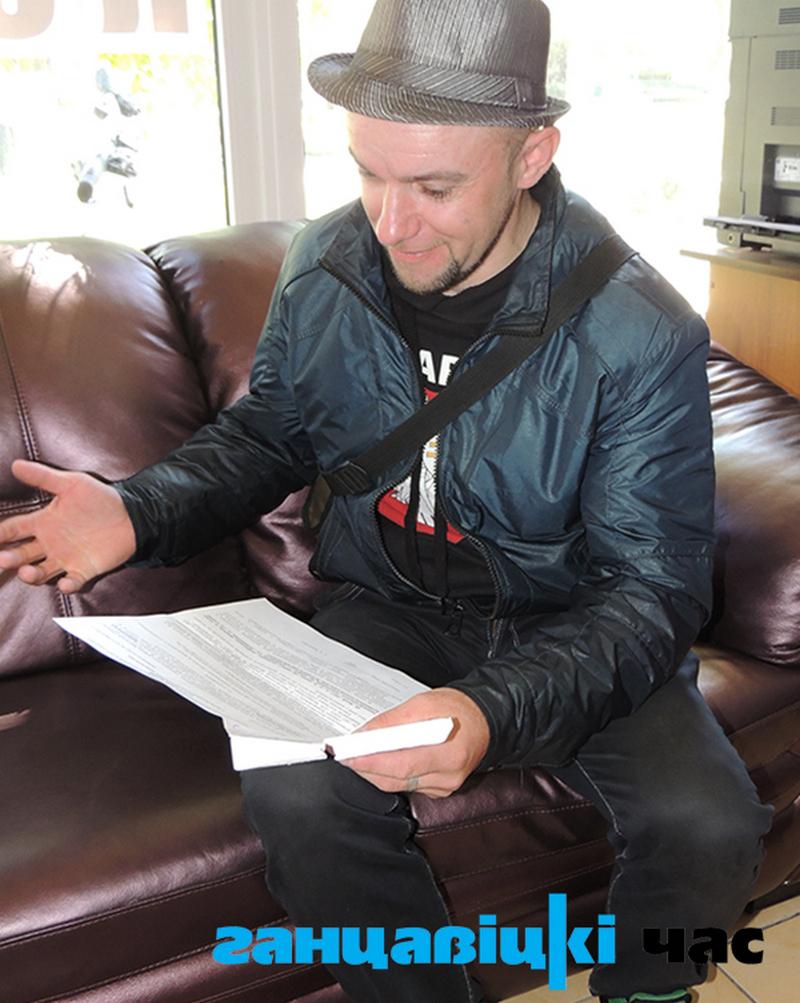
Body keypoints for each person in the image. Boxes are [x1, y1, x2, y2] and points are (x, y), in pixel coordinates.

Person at [0, 1, 772, 1001]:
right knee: (298, 785)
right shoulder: (326, 265)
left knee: (708, 823)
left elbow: (651, 590)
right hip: (391, 606)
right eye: (368, 171)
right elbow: (270, 433)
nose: (390, 221)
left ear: (531, 155)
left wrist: (490, 711)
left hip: (578, 620)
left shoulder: (636, 329)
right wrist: (138, 510)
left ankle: (645, 987)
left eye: (434, 187)